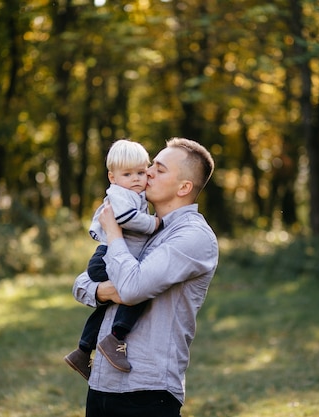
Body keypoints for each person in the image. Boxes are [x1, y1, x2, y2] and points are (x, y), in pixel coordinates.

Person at [71, 137, 218, 417]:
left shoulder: (192, 237)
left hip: (147, 391)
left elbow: (131, 288)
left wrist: (113, 233)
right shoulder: (141, 226)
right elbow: (81, 284)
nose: (147, 172)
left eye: (159, 169)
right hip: (102, 383)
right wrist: (106, 291)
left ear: (184, 187)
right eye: (151, 165)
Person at [64, 139, 161, 380]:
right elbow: (127, 218)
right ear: (112, 177)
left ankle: (83, 351)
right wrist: (155, 223)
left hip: (112, 257)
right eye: (127, 174)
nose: (137, 179)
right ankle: (115, 339)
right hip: (106, 258)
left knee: (111, 303)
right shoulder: (120, 195)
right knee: (137, 292)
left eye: (141, 172)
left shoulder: (133, 194)